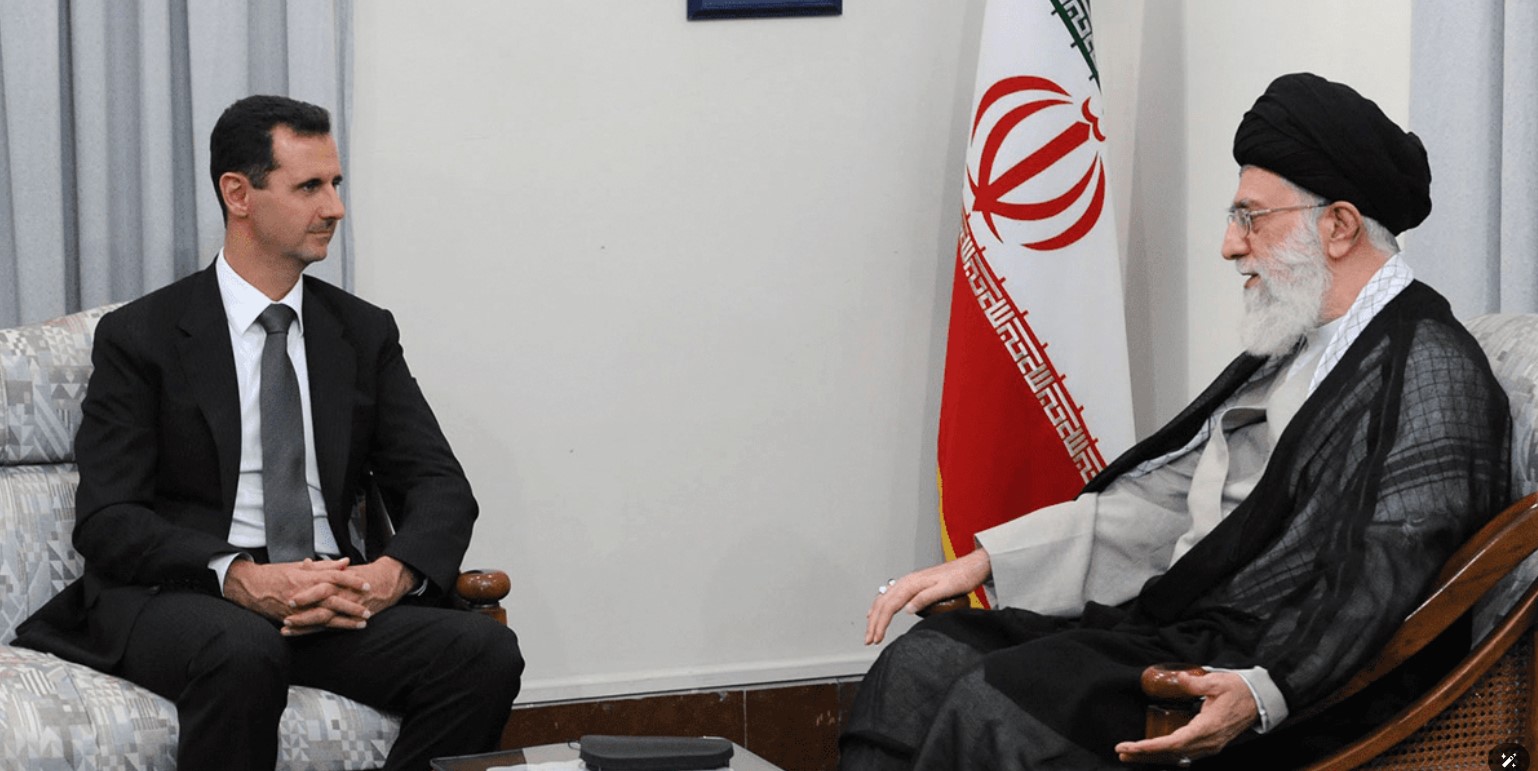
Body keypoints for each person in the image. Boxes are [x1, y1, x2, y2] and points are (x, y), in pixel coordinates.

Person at [840, 73, 1512, 770]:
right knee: (919, 664)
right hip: (1184, 629)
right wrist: (988, 563)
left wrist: (1264, 688)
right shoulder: (1301, 341)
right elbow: (1174, 496)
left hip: (1277, 677)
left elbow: (1391, 561)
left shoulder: (1431, 368)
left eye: (1251, 217)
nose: (1230, 245)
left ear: (1338, 226)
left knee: (995, 706)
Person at [12, 95, 523, 770]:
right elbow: (109, 518)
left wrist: (387, 576)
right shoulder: (143, 336)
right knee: (242, 649)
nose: (335, 207)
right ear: (239, 194)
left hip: (325, 597)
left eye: (335, 183)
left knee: (483, 652)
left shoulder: (361, 333)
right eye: (310, 186)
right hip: (188, 597)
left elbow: (440, 485)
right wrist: (239, 575)